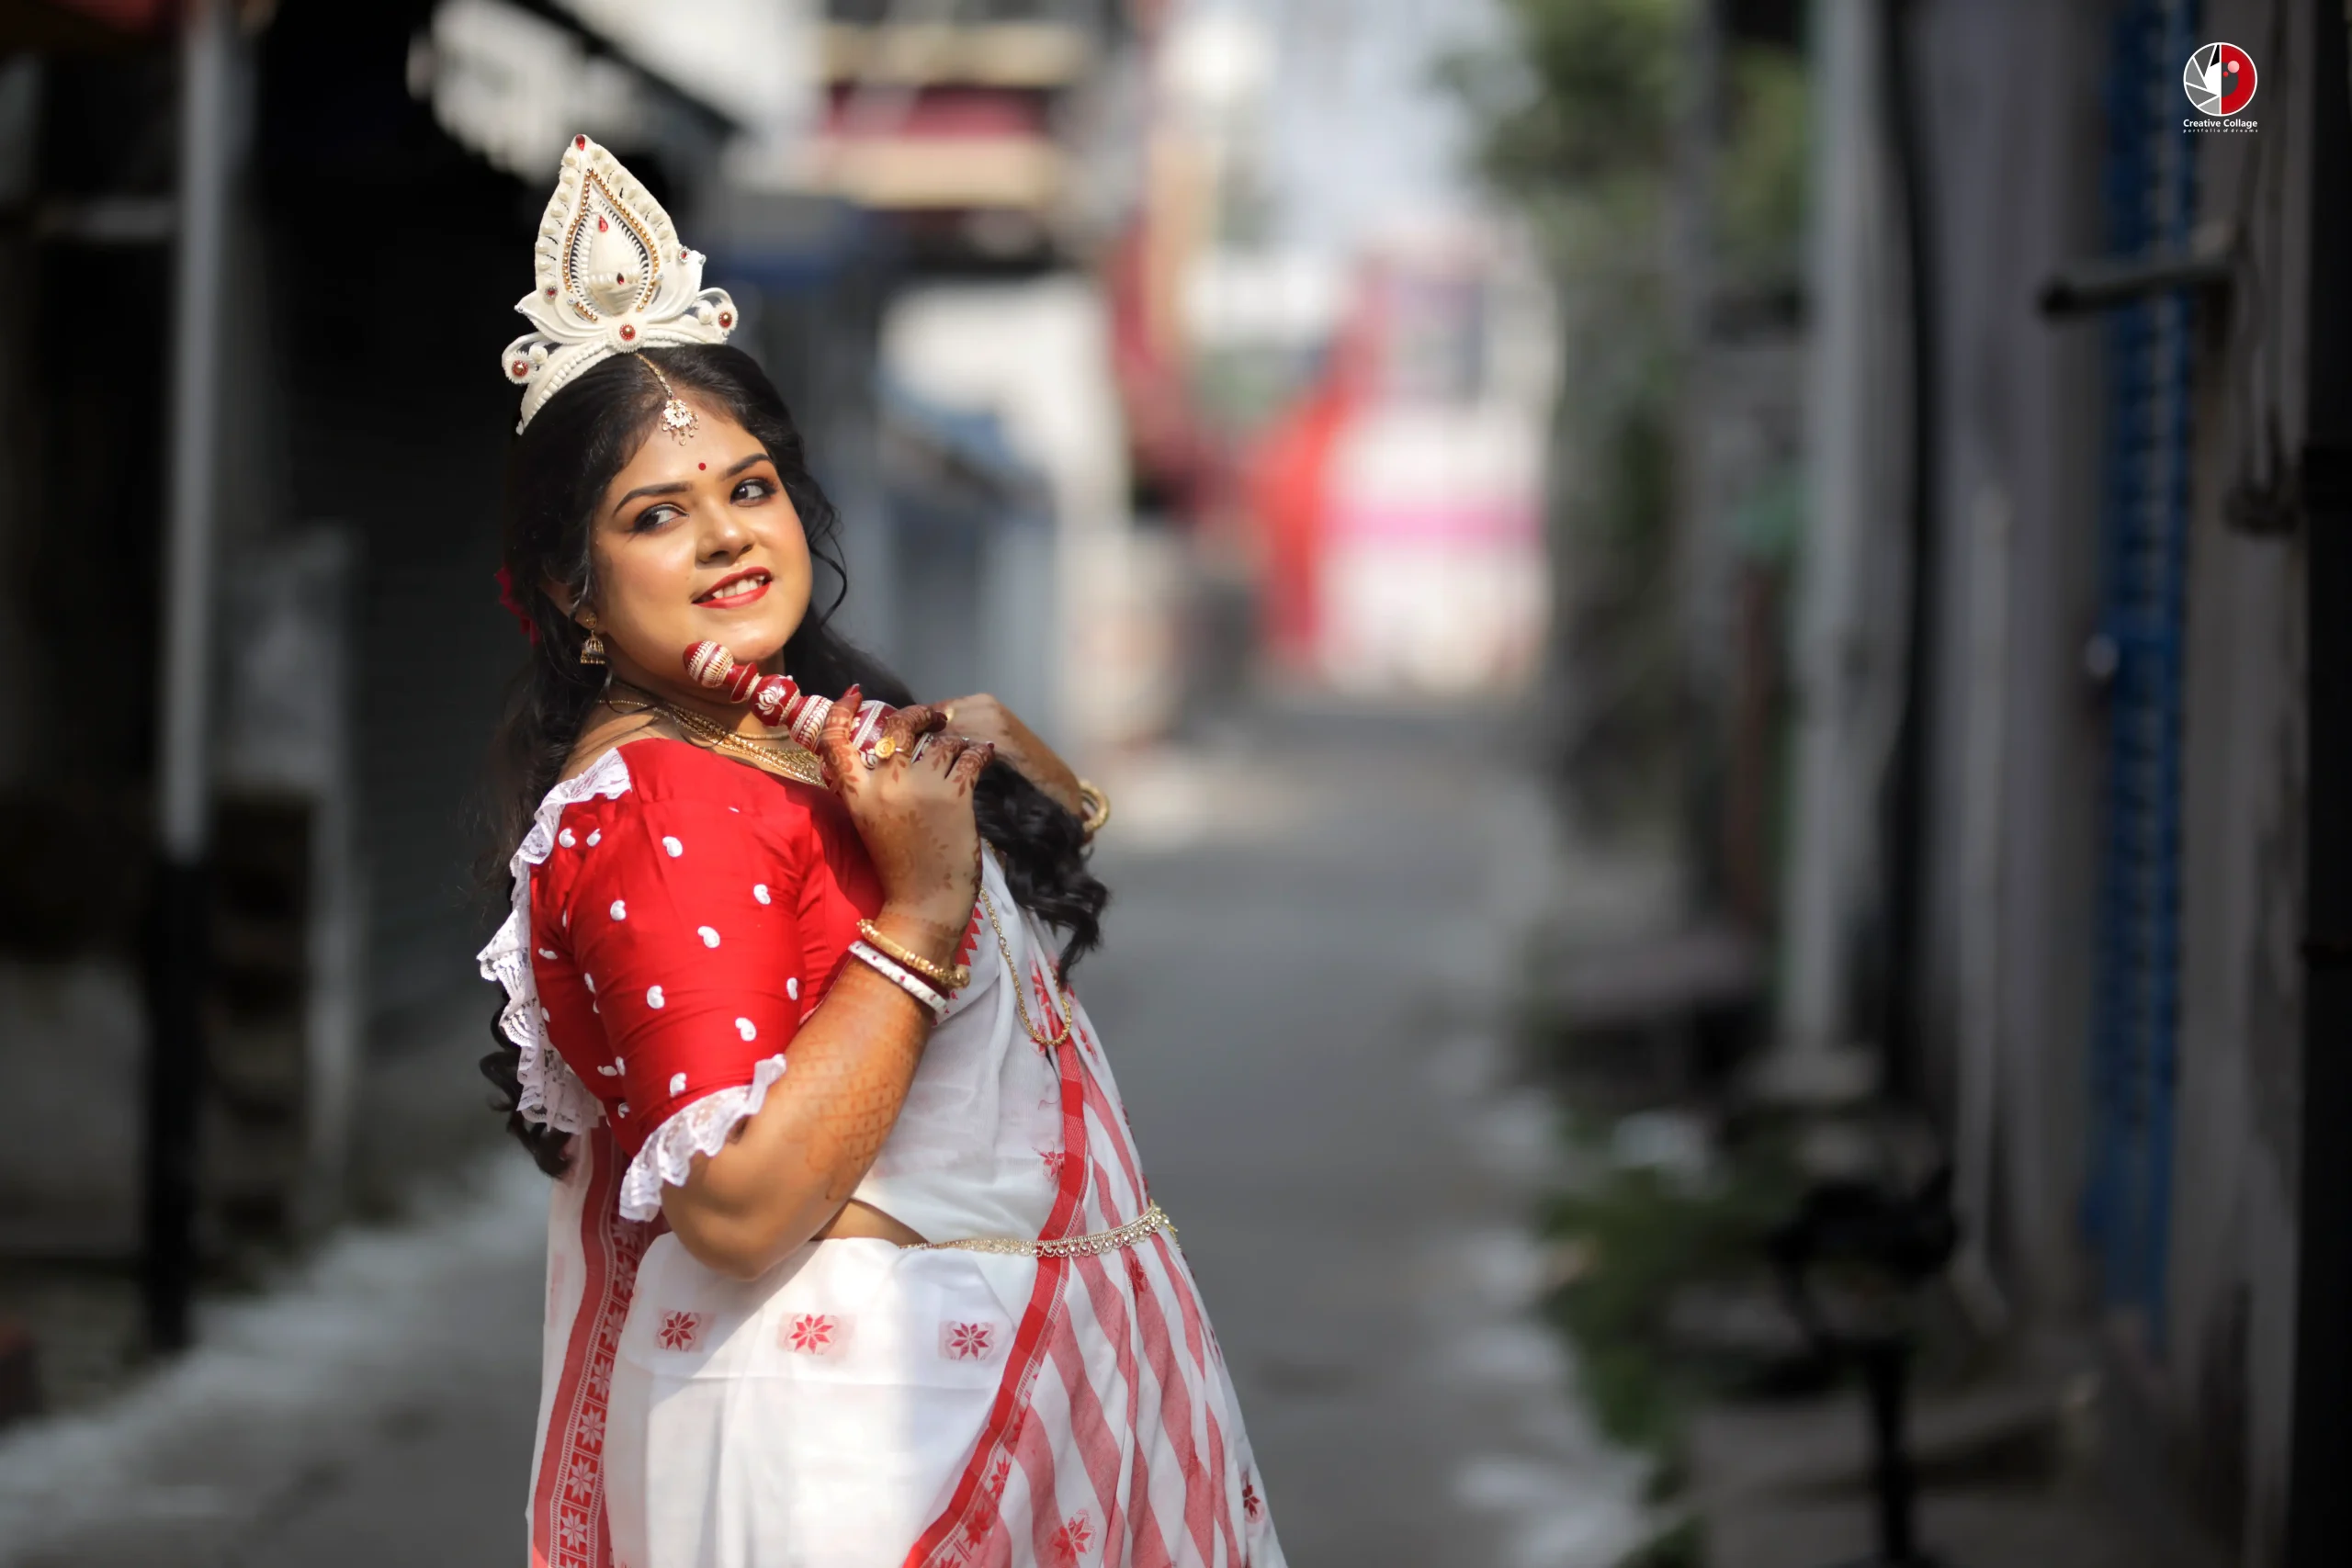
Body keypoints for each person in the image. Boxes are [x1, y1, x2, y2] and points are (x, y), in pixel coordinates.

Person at [475, 135, 1285, 1568]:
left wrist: (1025, 784)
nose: (727, 538)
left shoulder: (779, 742)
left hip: (916, 1413)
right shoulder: (661, 803)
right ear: (571, 586)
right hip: (841, 1457)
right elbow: (737, 1206)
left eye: (750, 488)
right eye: (657, 514)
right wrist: (917, 910)